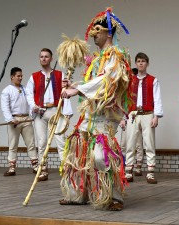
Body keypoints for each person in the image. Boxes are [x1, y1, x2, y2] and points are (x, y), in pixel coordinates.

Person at [59, 7, 131, 210]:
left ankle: (114, 197)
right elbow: (90, 81)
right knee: (77, 152)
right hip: (89, 114)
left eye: (97, 31)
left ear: (109, 33)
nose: (93, 35)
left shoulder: (117, 56)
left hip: (106, 116)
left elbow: (106, 81)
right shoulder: (97, 58)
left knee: (102, 155)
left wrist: (77, 90)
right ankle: (76, 195)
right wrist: (73, 85)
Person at [26, 48, 73, 181]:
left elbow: (66, 93)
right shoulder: (34, 76)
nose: (44, 59)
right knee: (41, 142)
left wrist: (67, 112)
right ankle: (42, 168)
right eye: (41, 57)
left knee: (61, 141)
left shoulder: (59, 74)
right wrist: (33, 106)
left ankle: (65, 168)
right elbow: (29, 94)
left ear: (51, 58)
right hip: (40, 112)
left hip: (55, 110)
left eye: (46, 56)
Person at [121, 52, 163, 184]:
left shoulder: (153, 80)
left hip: (147, 114)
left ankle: (150, 172)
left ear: (147, 63)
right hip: (132, 114)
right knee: (130, 143)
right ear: (136, 63)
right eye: (138, 61)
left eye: (143, 61)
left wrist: (156, 116)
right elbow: (125, 100)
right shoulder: (129, 80)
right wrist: (123, 117)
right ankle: (128, 171)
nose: (140, 63)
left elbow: (157, 99)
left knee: (149, 143)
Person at [1, 67, 38, 176]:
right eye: (18, 76)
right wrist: (11, 119)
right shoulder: (6, 90)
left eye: (21, 76)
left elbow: (31, 102)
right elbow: (5, 107)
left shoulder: (26, 89)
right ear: (12, 77)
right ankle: (12, 169)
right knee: (13, 145)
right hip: (15, 120)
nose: (20, 78)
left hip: (27, 119)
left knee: (31, 143)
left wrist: (33, 113)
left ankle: (36, 167)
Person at [119, 67, 145, 177]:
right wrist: (121, 119)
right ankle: (125, 165)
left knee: (138, 143)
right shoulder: (124, 90)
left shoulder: (139, 88)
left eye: (133, 76)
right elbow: (121, 105)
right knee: (124, 144)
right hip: (126, 118)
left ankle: (138, 165)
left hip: (137, 116)